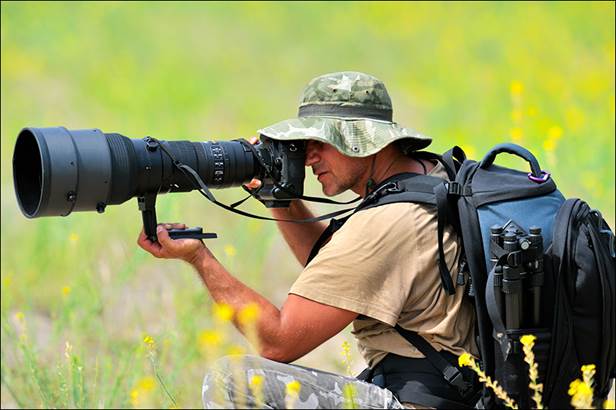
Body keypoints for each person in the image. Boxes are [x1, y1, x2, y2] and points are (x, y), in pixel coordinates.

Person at [137, 71, 479, 409]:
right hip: (463, 392)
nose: (310, 156)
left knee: (232, 381)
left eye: (321, 142)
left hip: (422, 402)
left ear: (361, 139)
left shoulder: (383, 223)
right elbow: (340, 267)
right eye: (304, 145)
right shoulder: (432, 176)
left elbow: (278, 341)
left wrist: (199, 258)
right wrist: (278, 198)